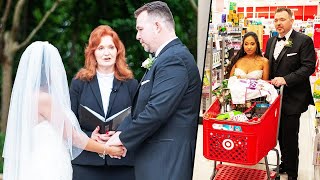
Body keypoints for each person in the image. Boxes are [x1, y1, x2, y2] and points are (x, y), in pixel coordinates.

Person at [2, 41, 125, 180]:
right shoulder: (44, 99)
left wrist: (90, 137)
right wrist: (108, 150)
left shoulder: (28, 99)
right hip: (47, 166)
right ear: (47, 69)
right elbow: (73, 137)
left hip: (38, 162)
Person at [106, 1, 202, 180]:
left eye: (140, 29)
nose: (137, 36)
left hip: (167, 161)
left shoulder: (174, 60)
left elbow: (157, 111)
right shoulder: (167, 58)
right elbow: (143, 107)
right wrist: (120, 133)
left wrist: (123, 138)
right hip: (157, 159)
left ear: (157, 26)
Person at [70, 25, 138, 180]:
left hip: (122, 163)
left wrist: (122, 135)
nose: (106, 53)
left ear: (118, 51)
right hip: (86, 164)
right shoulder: (79, 83)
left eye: (111, 47)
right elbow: (69, 122)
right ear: (92, 52)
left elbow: (138, 118)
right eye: (100, 48)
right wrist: (89, 136)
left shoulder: (131, 84)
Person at [265, 8, 316, 180]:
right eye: (275, 20)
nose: (278, 23)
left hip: (293, 99)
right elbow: (268, 65)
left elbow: (308, 67)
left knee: (290, 137)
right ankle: (285, 164)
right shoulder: (271, 41)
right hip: (274, 99)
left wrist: (286, 79)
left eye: (282, 19)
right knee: (278, 134)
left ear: (292, 21)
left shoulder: (304, 41)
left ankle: (293, 173)